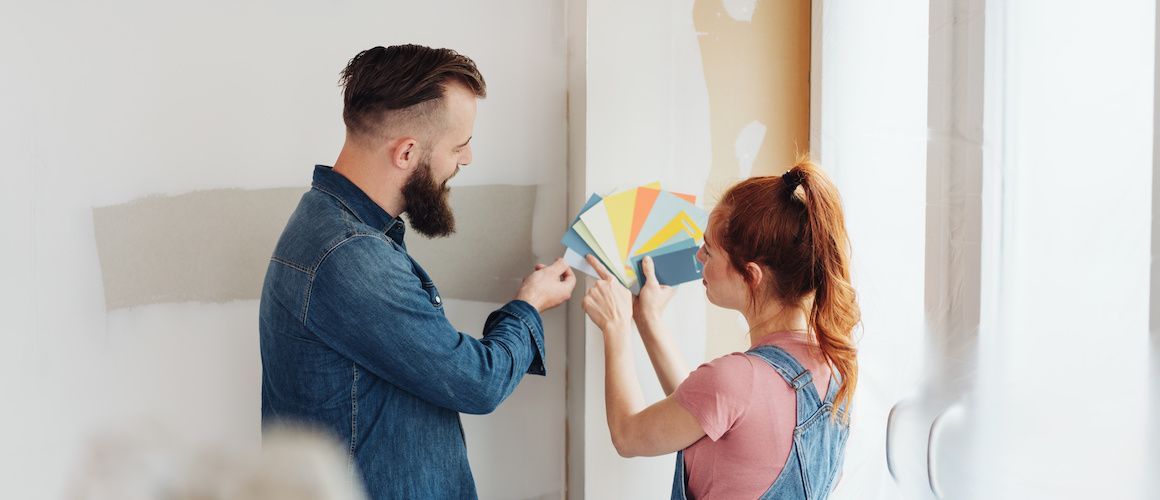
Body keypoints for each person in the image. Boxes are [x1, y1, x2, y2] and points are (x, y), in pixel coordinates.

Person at [259, 44, 576, 500]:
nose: (465, 160)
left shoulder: (325, 220)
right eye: (459, 145)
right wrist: (528, 306)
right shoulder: (351, 256)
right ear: (407, 152)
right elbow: (476, 382)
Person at [582, 158, 859, 499]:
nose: (698, 258)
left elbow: (628, 434)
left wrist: (615, 327)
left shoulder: (737, 379)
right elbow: (706, 413)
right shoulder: (834, 366)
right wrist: (648, 320)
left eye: (709, 251)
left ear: (751, 275)